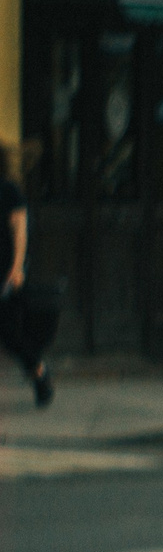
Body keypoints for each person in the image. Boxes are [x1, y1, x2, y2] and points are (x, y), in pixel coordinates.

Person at [0, 141, 48, 407]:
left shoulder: (9, 191)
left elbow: (20, 231)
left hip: (6, 274)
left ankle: (39, 372)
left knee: (10, 335)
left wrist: (17, 268)